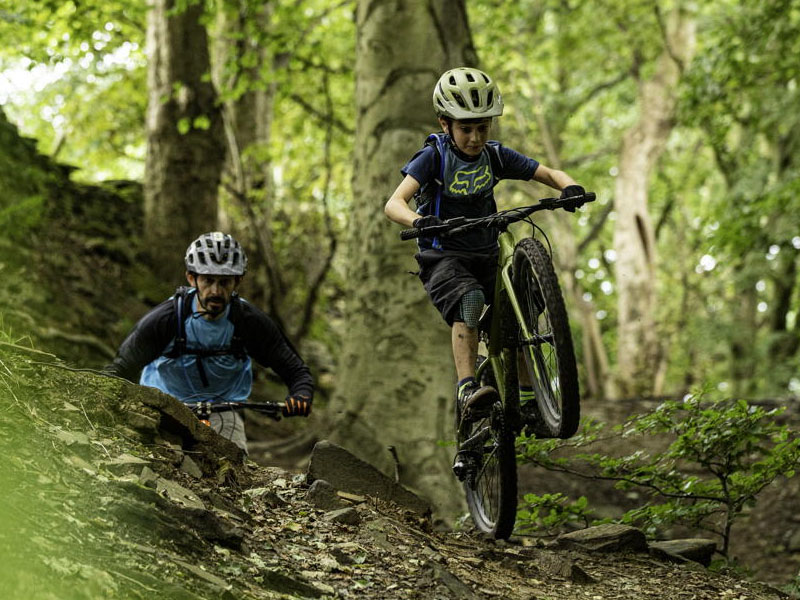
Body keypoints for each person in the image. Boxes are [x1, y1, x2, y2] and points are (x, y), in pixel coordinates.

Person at [384, 66, 585, 423]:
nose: (475, 137)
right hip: (444, 256)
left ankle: (527, 398)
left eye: (483, 127)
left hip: (486, 253)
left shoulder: (494, 156)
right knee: (470, 300)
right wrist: (420, 221)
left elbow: (550, 174)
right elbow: (393, 204)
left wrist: (569, 187)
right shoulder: (434, 157)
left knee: (517, 310)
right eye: (466, 128)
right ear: (445, 123)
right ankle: (466, 387)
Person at [105, 231, 313, 453]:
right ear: (191, 278)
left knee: (235, 471)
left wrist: (300, 395)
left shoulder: (248, 322)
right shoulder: (167, 319)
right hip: (163, 407)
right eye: (208, 280)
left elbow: (296, 370)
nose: (216, 291)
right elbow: (122, 367)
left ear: (238, 282)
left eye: (224, 282)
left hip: (224, 411)